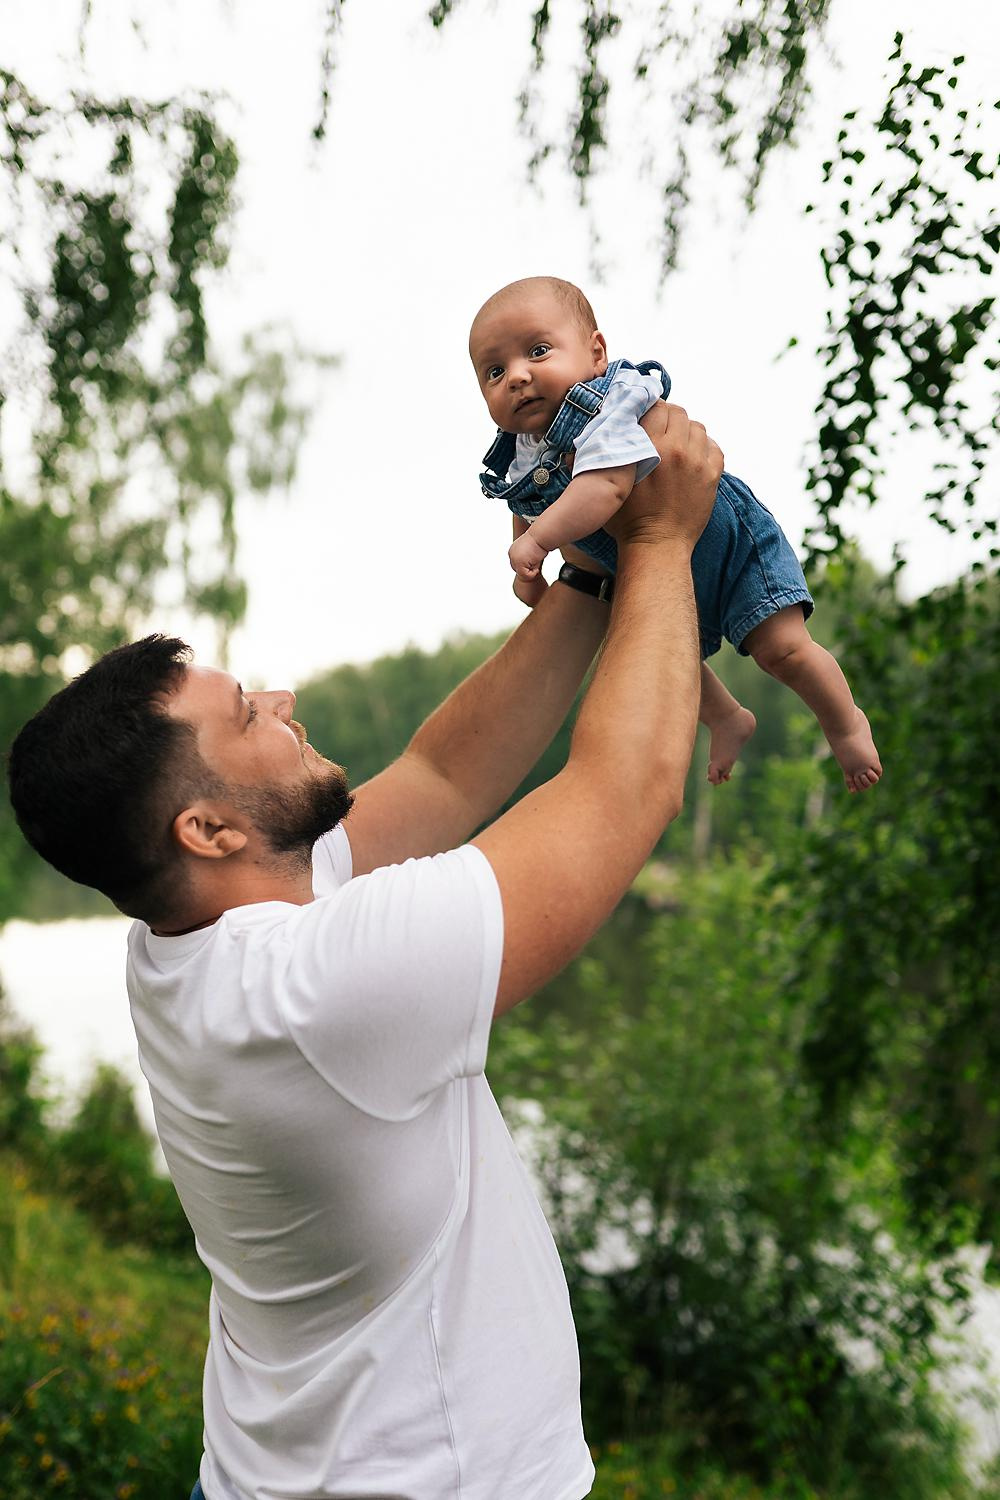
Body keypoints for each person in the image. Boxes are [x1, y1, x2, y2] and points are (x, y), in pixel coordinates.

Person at [7, 404, 721, 1500]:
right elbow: (624, 792)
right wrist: (666, 542)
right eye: (247, 714)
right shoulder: (318, 989)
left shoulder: (188, 938)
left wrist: (591, 576)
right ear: (209, 830)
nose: (281, 700)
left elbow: (442, 777)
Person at [471, 275, 882, 794]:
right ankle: (727, 718)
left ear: (596, 353)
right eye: (494, 371)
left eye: (537, 350)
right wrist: (530, 565)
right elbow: (527, 497)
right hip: (655, 563)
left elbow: (608, 486)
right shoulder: (523, 446)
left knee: (784, 650)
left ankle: (845, 724)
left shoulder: (606, 404)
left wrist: (535, 544)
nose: (517, 376)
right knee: (665, 653)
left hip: (727, 546)